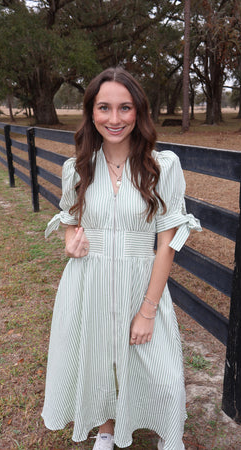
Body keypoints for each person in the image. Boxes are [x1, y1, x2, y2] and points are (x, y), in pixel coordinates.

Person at [41, 67, 201, 450]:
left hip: (141, 279)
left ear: (138, 112)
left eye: (125, 108)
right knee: (97, 358)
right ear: (91, 113)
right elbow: (70, 218)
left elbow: (168, 243)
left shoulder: (162, 167)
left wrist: (147, 310)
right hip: (88, 278)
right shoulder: (76, 168)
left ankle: (166, 429)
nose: (114, 119)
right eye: (104, 108)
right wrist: (70, 241)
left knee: (159, 367)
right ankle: (107, 427)